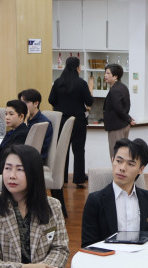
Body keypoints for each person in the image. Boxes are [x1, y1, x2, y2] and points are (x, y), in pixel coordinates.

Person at [81, 138, 148, 247]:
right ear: (112, 160)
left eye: (130, 164)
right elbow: (88, 245)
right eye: (119, 161)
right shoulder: (95, 201)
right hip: (109, 256)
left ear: (141, 169)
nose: (122, 168)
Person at [48, 56, 94, 188]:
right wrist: (91, 88)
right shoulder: (81, 83)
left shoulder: (58, 82)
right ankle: (79, 180)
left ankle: (61, 178)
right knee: (78, 150)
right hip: (78, 121)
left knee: (63, 150)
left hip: (62, 120)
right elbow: (89, 101)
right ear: (78, 68)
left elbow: (51, 100)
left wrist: (61, 105)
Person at [103, 63, 135, 159]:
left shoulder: (115, 90)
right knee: (123, 154)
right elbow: (126, 107)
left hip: (116, 127)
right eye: (105, 73)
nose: (105, 75)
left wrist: (129, 119)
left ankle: (116, 170)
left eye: (108, 73)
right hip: (123, 125)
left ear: (115, 76)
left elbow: (119, 109)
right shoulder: (122, 86)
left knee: (116, 155)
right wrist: (128, 118)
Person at [18, 88, 53, 163]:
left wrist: (25, 122)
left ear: (36, 103)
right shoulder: (26, 118)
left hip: (34, 159)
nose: (22, 105)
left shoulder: (42, 123)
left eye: (26, 102)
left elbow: (32, 144)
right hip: (22, 154)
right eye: (21, 102)